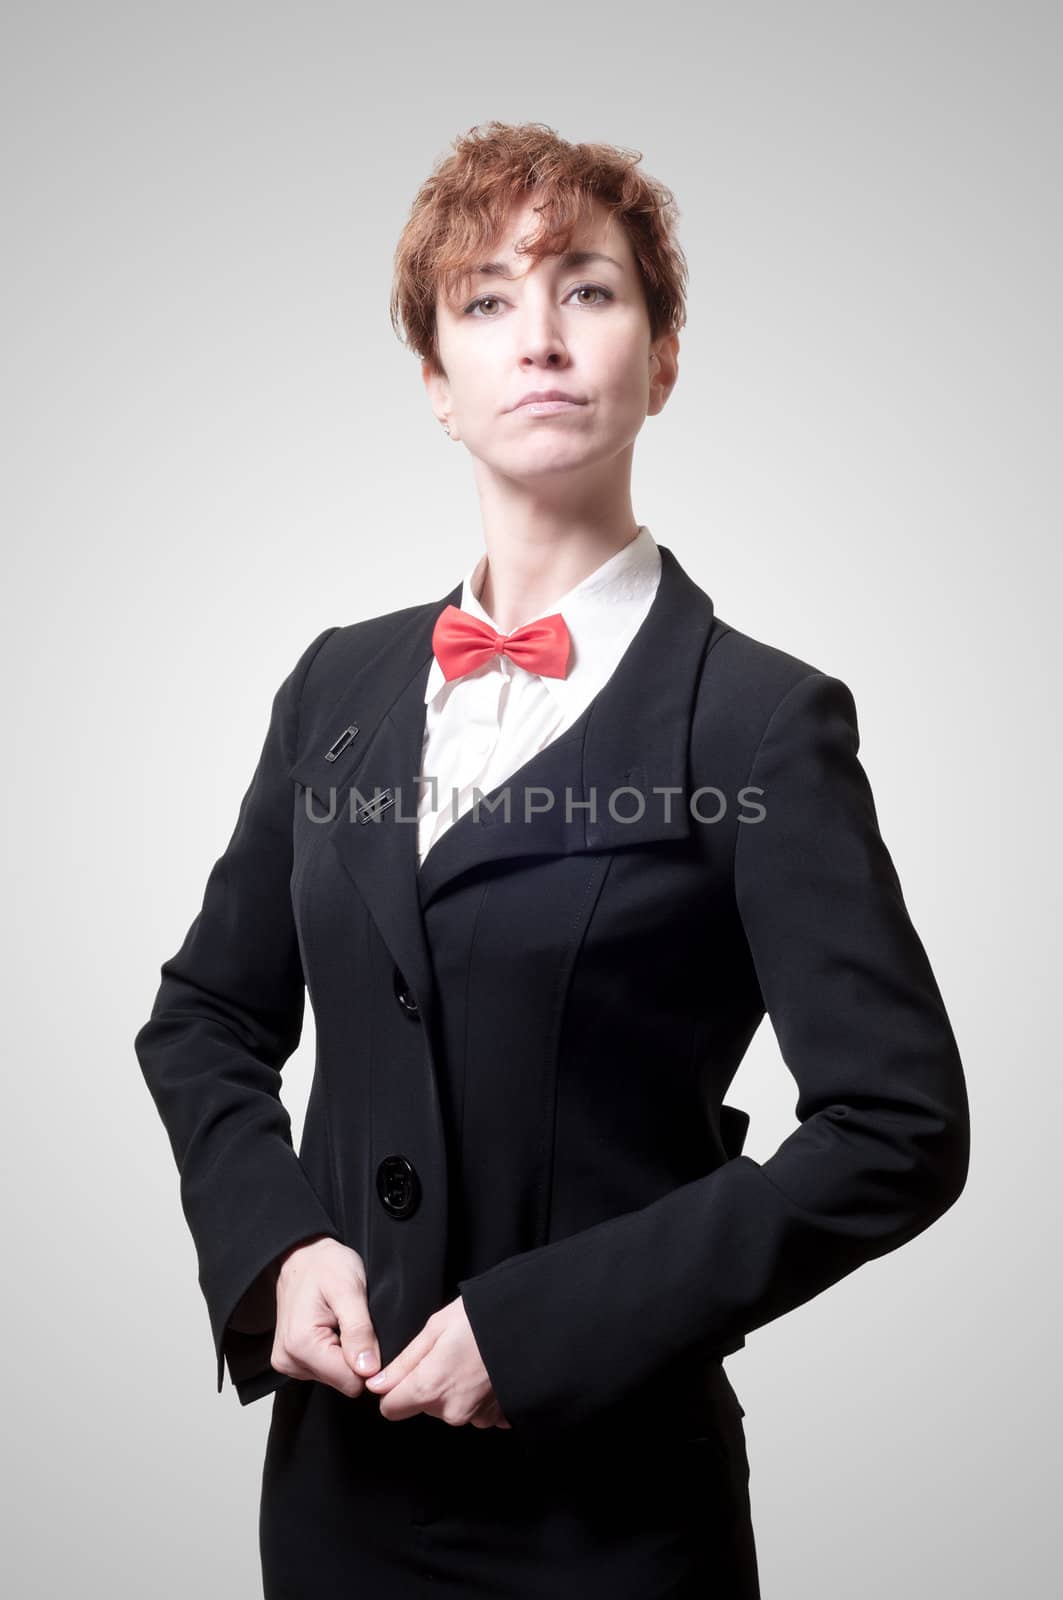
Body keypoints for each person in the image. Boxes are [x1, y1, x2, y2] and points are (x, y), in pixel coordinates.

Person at [135, 120, 970, 1599]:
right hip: (337, 1499)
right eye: (486, 302)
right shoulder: (336, 687)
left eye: (587, 291)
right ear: (435, 387)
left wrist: (552, 1329)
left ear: (660, 357)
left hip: (611, 1514)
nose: (539, 339)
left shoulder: (765, 721)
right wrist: (271, 1245)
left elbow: (897, 1126)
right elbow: (206, 1012)